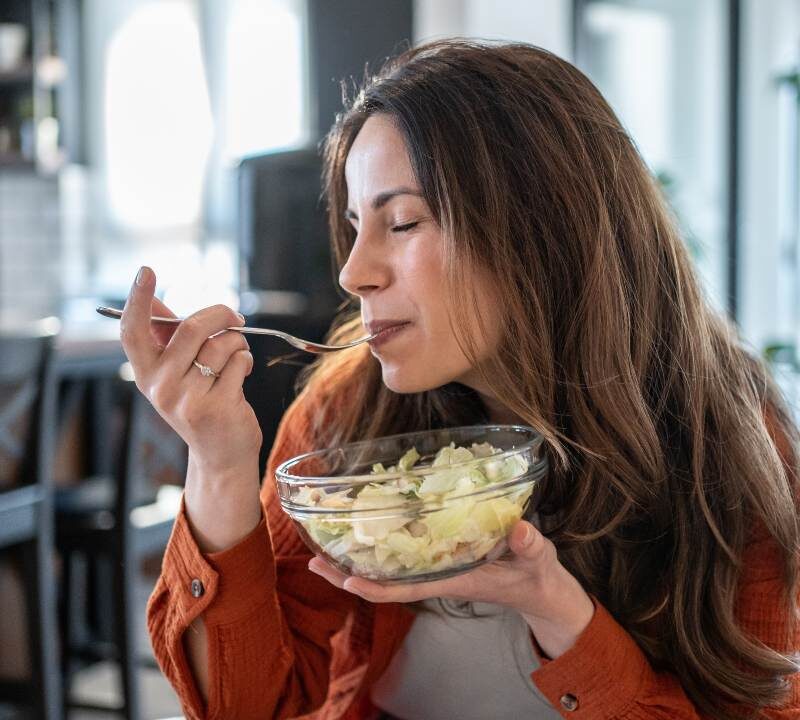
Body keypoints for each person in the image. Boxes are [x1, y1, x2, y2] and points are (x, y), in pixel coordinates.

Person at [120, 39, 800, 720]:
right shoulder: (346, 416)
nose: (353, 273)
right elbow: (247, 708)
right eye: (357, 226)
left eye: (404, 221)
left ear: (542, 230)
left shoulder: (732, 447)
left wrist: (558, 609)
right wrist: (216, 464)